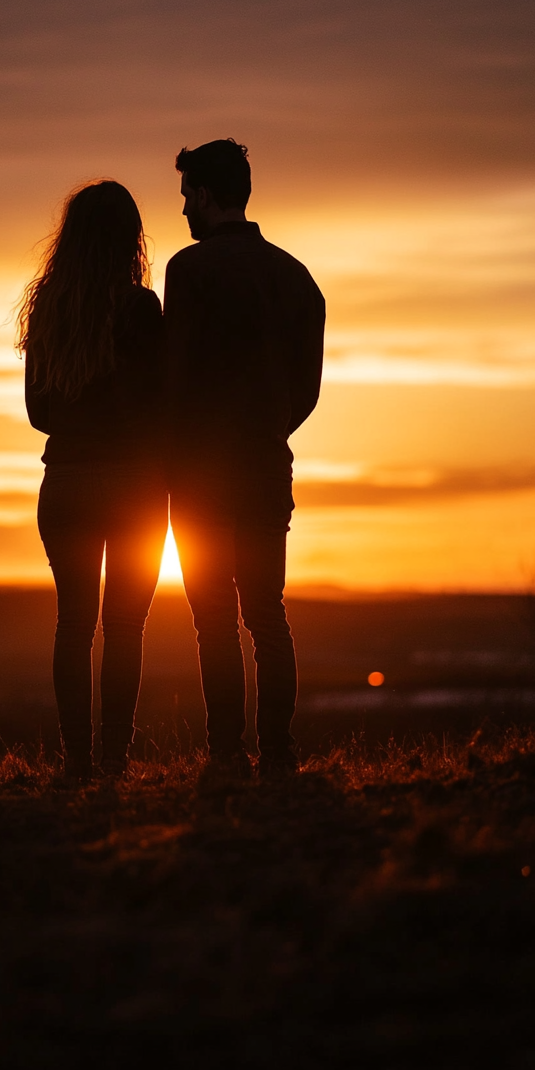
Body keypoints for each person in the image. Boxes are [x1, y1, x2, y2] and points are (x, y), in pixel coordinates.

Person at [164, 139, 326, 778]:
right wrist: (264, 429)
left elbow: (171, 382)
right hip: (265, 465)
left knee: (213, 620)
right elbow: (306, 391)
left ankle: (227, 753)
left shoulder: (188, 271)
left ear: (204, 194)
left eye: (185, 196)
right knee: (267, 613)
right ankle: (279, 753)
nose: (182, 210)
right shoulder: (295, 277)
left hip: (200, 475)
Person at [17, 180, 167, 781]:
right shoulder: (141, 308)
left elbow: (38, 414)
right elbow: (159, 405)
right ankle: (112, 758)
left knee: (73, 622)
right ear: (130, 238)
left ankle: (75, 757)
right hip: (134, 484)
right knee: (125, 626)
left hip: (69, 481)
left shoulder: (50, 305)